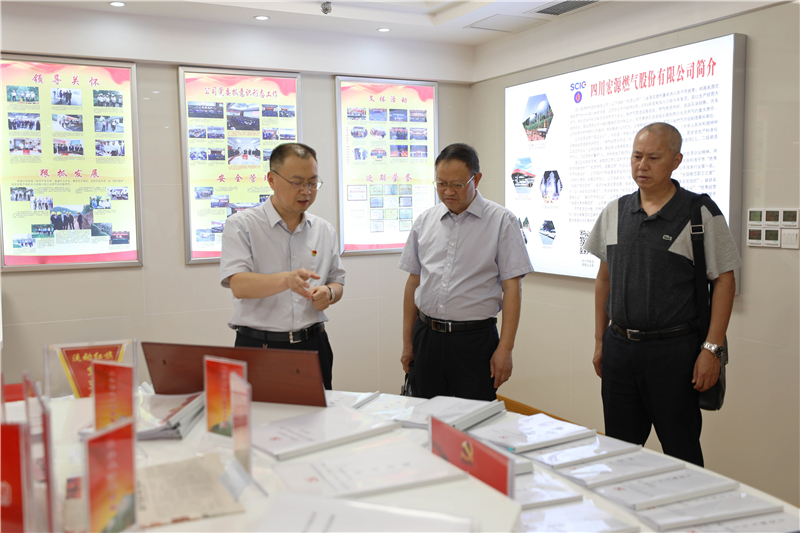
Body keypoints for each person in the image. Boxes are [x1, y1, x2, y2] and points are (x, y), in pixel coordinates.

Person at [583, 122, 741, 467]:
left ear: (676, 160)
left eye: (653, 158)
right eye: (637, 156)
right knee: (619, 452)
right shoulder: (615, 211)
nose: (642, 165)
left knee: (682, 452)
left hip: (674, 353)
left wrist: (712, 350)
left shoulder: (698, 212)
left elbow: (725, 281)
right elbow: (604, 279)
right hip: (619, 348)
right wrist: (599, 340)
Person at [398, 143, 534, 401]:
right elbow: (413, 283)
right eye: (441, 183)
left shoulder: (502, 221)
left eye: (457, 184)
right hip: (427, 336)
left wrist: (505, 349)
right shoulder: (425, 221)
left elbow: (512, 288)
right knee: (424, 415)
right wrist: (407, 343)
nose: (448, 191)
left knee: (475, 417)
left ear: (476, 179)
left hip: (474, 341)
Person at [220, 143, 345, 390]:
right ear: (271, 180)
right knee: (259, 414)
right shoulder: (242, 225)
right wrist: (286, 280)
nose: (306, 191)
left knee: (318, 414)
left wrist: (329, 293)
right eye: (296, 182)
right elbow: (239, 285)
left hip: (313, 344)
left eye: (312, 183)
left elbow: (337, 281)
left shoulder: (324, 230)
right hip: (260, 347)